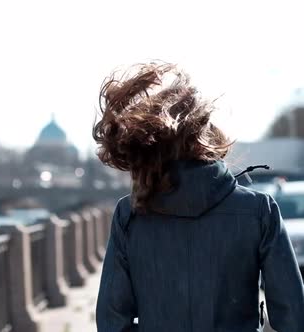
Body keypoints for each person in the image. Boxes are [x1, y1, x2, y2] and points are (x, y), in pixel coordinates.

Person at [93, 63, 304, 331]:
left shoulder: (130, 214)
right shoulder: (258, 211)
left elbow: (112, 322)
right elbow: (293, 317)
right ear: (204, 137)